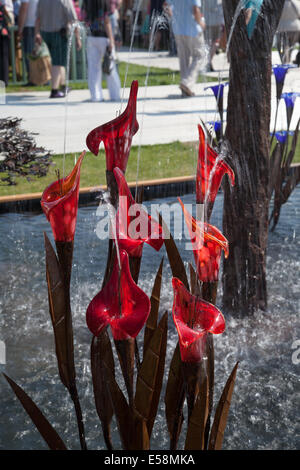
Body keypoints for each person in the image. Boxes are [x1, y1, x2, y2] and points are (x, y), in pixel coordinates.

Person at [35, 0, 81, 98]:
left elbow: (38, 18)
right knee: (57, 62)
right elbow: (73, 19)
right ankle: (54, 90)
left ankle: (63, 86)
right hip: (59, 33)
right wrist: (78, 38)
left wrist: (37, 33)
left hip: (45, 33)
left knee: (60, 61)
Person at [164, 0, 206, 97]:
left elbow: (166, 5)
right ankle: (187, 83)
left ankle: (185, 89)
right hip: (192, 29)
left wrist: (174, 17)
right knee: (200, 56)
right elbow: (195, 10)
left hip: (178, 29)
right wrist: (201, 23)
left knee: (183, 58)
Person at [81, 0, 121, 102]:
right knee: (110, 67)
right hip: (104, 36)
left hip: (91, 37)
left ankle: (96, 96)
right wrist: (112, 40)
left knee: (93, 68)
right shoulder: (103, 2)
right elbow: (106, 20)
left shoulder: (86, 2)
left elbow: (82, 17)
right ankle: (115, 95)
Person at [17, 0, 38, 84]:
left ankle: (33, 79)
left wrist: (20, 29)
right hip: (40, 25)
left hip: (29, 26)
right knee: (40, 53)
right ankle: (43, 78)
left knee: (29, 54)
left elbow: (24, 9)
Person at [202, 0, 224, 71]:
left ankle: (208, 61)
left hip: (207, 20)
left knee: (209, 43)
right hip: (216, 19)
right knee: (215, 42)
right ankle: (209, 61)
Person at [0, 0, 14, 87]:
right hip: (3, 30)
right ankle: (4, 80)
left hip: (2, 30)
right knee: (4, 56)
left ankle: (4, 80)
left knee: (4, 56)